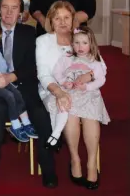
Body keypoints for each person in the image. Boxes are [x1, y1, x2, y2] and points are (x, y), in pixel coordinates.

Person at [0, 0, 58, 189]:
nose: (9, 12)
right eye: (5, 7)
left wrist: (11, 76)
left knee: (40, 113)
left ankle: (48, 167)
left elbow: (32, 66)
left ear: (21, 12)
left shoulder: (28, 33)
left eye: (14, 8)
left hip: (22, 85)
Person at [36, 1, 107, 190]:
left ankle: (91, 163)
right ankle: (75, 159)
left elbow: (101, 66)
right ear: (50, 20)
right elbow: (43, 74)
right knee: (70, 112)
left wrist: (89, 75)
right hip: (55, 88)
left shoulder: (82, 37)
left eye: (66, 17)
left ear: (73, 19)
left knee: (91, 112)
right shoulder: (43, 41)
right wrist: (60, 92)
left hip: (84, 89)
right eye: (57, 18)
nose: (62, 21)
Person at [44, 25, 110, 154]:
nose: (80, 47)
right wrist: (64, 82)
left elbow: (101, 79)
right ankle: (57, 133)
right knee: (64, 106)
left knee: (88, 108)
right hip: (69, 91)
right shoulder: (67, 57)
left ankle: (91, 162)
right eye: (77, 43)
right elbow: (56, 72)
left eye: (84, 43)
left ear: (91, 44)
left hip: (86, 93)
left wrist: (87, 86)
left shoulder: (94, 61)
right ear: (72, 44)